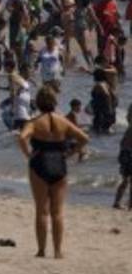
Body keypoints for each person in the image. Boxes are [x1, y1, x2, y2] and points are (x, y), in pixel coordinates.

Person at [18, 87, 89, 259]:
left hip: (39, 162)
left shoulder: (34, 122)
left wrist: (28, 154)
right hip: (59, 163)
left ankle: (41, 250)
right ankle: (57, 251)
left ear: (39, 102)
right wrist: (71, 153)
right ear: (55, 101)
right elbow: (84, 138)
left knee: (41, 210)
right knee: (57, 212)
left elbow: (21, 138)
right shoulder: (63, 121)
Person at [114, 104, 132, 210]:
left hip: (125, 154)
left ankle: (118, 202)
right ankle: (129, 204)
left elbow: (122, 144)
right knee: (126, 180)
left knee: (125, 180)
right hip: (128, 154)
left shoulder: (129, 129)